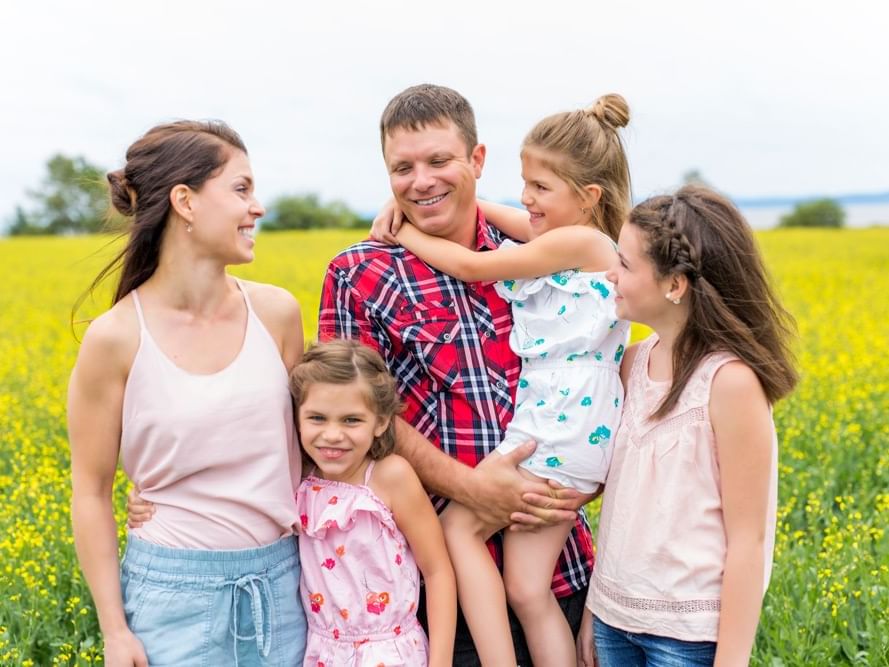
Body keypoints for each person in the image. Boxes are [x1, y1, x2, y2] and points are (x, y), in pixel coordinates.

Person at [319, 83, 595, 664]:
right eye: (403, 168)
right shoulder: (359, 273)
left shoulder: (539, 251)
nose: (421, 181)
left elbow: (603, 399)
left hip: (557, 568)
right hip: (435, 592)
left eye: (439, 160)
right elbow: (355, 418)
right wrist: (471, 488)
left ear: (476, 160)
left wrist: (605, 600)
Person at [374, 94, 633, 666]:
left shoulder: (583, 243)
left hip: (557, 429)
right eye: (525, 182)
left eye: (541, 186)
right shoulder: (567, 237)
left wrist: (402, 231)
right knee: (526, 589)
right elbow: (494, 214)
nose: (526, 198)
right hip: (570, 429)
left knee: (460, 533)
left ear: (587, 197)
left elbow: (474, 266)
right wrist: (448, 188)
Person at [68, 120, 307, 667]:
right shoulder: (116, 338)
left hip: (285, 585)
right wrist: (114, 630)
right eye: (241, 189)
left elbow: (318, 444)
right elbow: (90, 490)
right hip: (171, 598)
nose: (258, 208)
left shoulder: (277, 314)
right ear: (186, 202)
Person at [575, 186, 798, 667]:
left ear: (675, 285)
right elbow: (623, 506)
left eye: (627, 265)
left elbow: (748, 541)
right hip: (616, 622)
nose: (611, 274)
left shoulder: (729, 383)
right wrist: (596, 608)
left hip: (686, 639)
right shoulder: (632, 364)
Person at [289, 339, 456, 666]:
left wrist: (441, 662)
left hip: (390, 653)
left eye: (351, 420)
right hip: (321, 652)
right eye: (317, 418)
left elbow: (437, 571)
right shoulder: (300, 475)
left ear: (380, 422)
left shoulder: (389, 477)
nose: (333, 434)